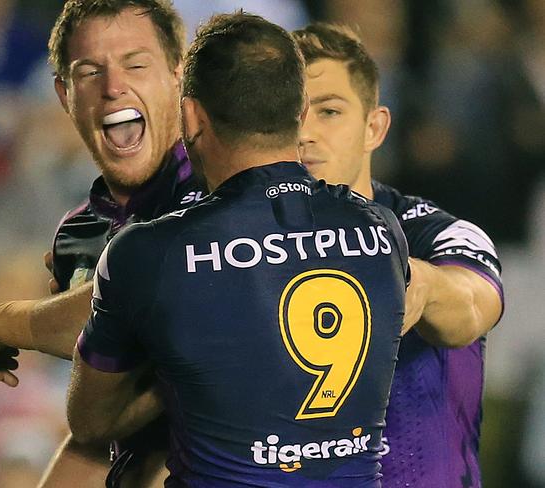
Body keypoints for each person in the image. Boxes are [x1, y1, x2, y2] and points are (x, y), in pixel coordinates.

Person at [67, 11, 408, 486]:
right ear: (301, 112)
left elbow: (90, 423)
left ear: (191, 116)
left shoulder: (147, 253)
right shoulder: (384, 232)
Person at [0, 1, 200, 486]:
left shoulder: (226, 191)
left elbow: (163, 307)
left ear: (179, 77)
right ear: (64, 95)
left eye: (136, 64)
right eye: (89, 72)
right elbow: (100, 423)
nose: (114, 87)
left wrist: (0, 322)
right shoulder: (77, 236)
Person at [292, 23, 504, 487]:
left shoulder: (435, 234)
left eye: (328, 111)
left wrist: (421, 285)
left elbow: (471, 306)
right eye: (290, 114)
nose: (304, 133)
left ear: (374, 127)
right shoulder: (239, 249)